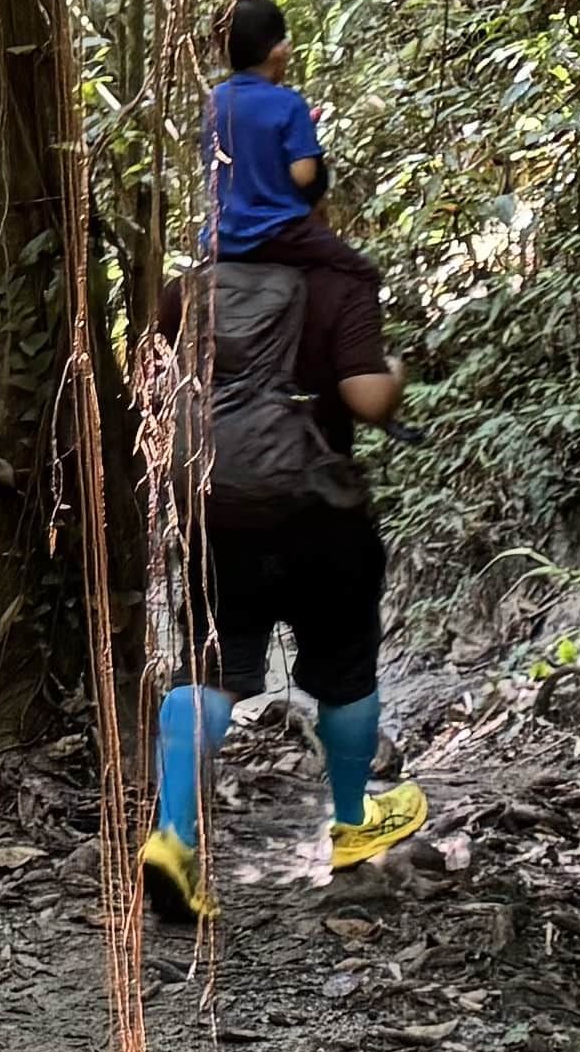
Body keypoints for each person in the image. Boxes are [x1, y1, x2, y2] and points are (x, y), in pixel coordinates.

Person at [143, 104, 419, 921]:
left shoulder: (183, 291)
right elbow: (367, 400)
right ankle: (350, 824)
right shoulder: (338, 283)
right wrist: (394, 371)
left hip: (216, 508)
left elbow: (154, 397)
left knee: (209, 672)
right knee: (342, 668)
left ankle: (174, 840)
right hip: (318, 510)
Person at [211, 0, 329, 251]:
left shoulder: (215, 100)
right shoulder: (289, 103)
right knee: (362, 274)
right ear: (278, 51)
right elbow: (304, 175)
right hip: (282, 234)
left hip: (223, 238)